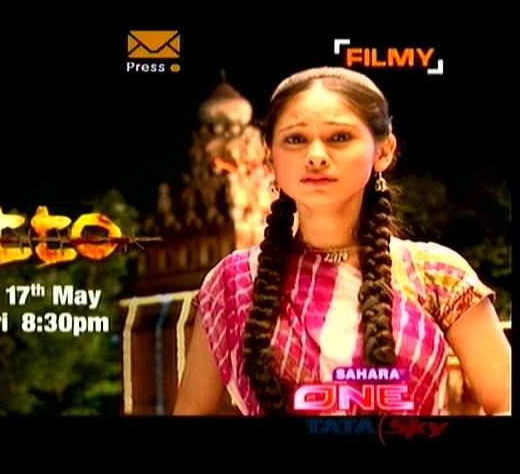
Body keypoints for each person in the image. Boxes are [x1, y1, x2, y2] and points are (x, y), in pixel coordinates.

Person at [173, 67, 511, 416]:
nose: (316, 156)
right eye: (295, 139)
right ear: (270, 156)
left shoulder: (437, 276)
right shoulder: (233, 282)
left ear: (383, 151)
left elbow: (506, 401)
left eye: (339, 137)